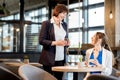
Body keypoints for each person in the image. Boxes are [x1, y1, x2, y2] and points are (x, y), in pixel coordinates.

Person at [38, 4, 69, 80]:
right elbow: (41, 40)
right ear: (57, 12)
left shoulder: (64, 25)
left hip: (61, 58)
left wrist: (67, 42)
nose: (64, 16)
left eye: (66, 14)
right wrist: (56, 43)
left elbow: (65, 38)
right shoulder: (47, 24)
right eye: (63, 13)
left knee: (59, 78)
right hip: (49, 58)